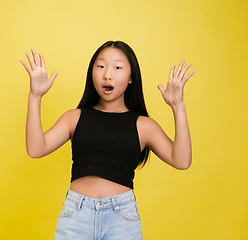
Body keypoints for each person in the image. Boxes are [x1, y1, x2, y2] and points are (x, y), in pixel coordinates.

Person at [20, 41, 195, 240]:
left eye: (118, 67)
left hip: (121, 219)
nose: (107, 74)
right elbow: (35, 149)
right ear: (92, 72)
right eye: (101, 66)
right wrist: (35, 96)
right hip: (76, 216)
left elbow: (181, 161)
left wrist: (178, 106)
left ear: (131, 78)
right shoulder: (74, 118)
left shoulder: (144, 126)